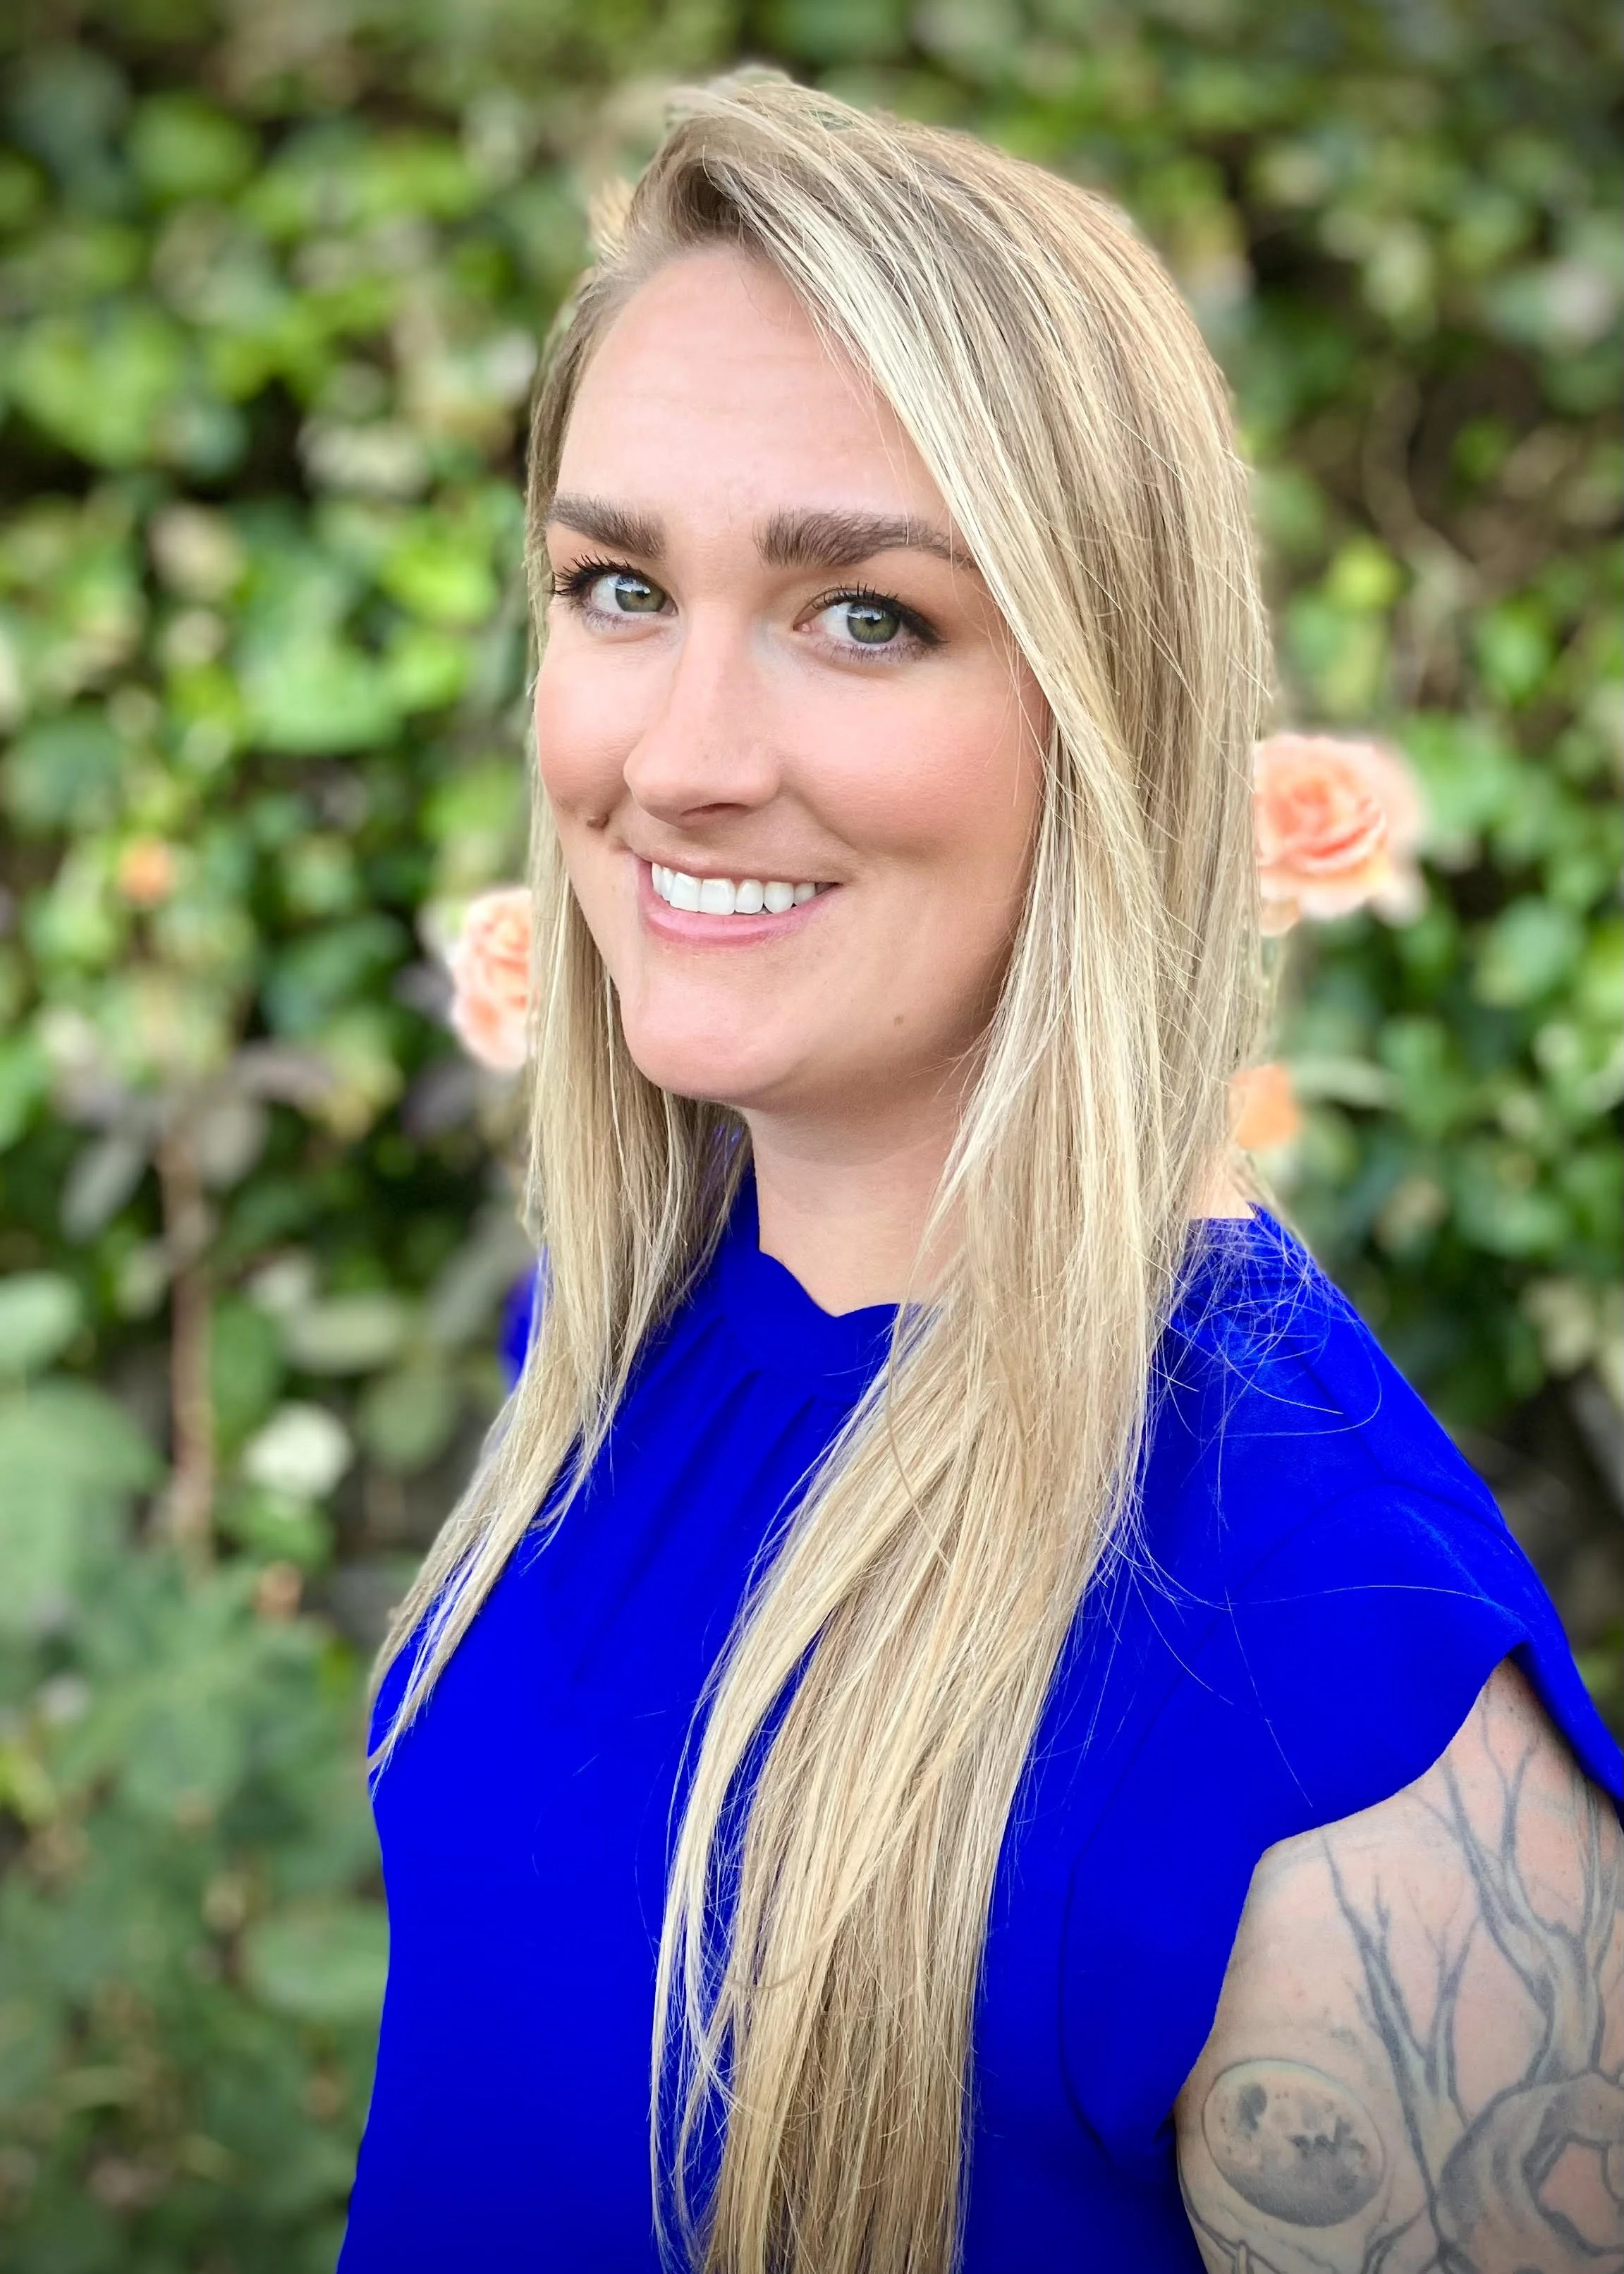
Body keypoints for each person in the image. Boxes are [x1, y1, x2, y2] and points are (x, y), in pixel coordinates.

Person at [339, 75, 1624, 2274]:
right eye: (616, 583)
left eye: (865, 618)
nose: (676, 758)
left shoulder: (1330, 1684)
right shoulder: (628, 1331)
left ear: (1109, 707)